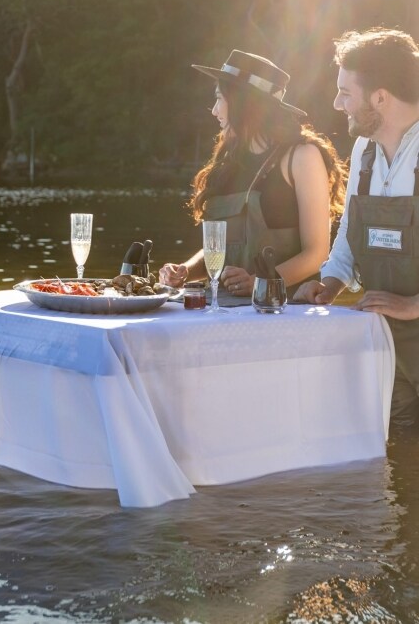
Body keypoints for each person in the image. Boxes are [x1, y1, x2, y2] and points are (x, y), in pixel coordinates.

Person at [294, 27, 419, 425]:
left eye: (346, 93)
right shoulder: (364, 148)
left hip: (407, 318)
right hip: (386, 341)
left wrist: (414, 305)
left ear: (380, 97)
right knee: (396, 457)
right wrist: (330, 283)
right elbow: (351, 229)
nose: (336, 103)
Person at [159, 50, 345, 297]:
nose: (214, 110)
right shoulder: (229, 160)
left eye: (219, 99)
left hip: (285, 310)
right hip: (224, 309)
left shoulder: (302, 156)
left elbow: (316, 254)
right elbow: (220, 250)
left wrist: (260, 282)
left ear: (244, 103)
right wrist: (184, 271)